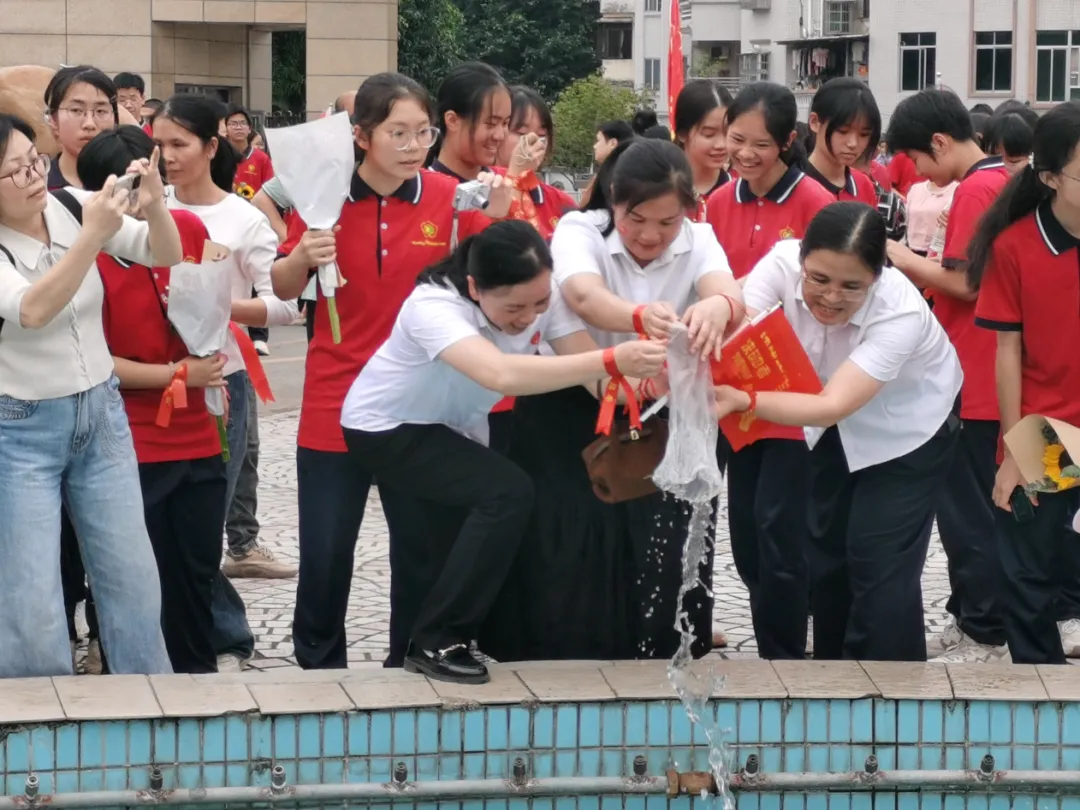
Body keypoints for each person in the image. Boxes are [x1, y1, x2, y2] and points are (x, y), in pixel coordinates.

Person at [340, 220, 666, 682]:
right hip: (386, 427)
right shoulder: (432, 306)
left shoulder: (541, 301)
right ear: (474, 287)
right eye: (514, 307)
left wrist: (660, 380)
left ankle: (408, 657)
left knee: (430, 548)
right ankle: (438, 641)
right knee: (507, 492)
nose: (528, 317)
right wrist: (612, 360)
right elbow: (500, 375)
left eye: (539, 303)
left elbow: (600, 381)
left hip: (449, 429)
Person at [270, 72, 508, 670]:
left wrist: (501, 218)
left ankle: (410, 661)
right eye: (396, 132)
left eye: (422, 132)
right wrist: (301, 255)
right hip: (332, 405)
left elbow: (495, 276)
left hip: (415, 407)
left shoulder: (448, 201)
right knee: (326, 553)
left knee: (420, 550)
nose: (412, 145)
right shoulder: (323, 201)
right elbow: (279, 286)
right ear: (361, 136)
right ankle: (319, 672)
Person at [480, 138, 744, 664]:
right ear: (614, 201)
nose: (651, 235)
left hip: (657, 404)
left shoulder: (701, 239)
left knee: (657, 536)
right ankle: (557, 655)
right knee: (569, 534)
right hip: (577, 397)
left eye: (667, 223)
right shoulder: (583, 229)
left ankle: (656, 651)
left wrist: (718, 305)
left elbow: (727, 293)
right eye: (636, 218)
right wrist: (637, 318)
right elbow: (581, 297)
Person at [714, 202, 963, 661]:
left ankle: (887, 698)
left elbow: (832, 406)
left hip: (908, 432)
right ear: (803, 261)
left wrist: (743, 400)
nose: (829, 297)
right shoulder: (783, 263)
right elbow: (740, 320)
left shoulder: (899, 312)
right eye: (819, 279)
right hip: (832, 428)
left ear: (877, 277)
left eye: (852, 286)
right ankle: (833, 680)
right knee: (826, 557)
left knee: (879, 562)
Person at [0, 112, 178, 677]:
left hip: (101, 414)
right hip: (21, 429)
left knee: (133, 581)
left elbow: (163, 252)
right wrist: (94, 238)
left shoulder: (72, 205)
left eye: (35, 160)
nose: (34, 175)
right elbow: (33, 309)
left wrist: (152, 203)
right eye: (16, 171)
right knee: (33, 602)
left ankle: (153, 726)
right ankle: (40, 743)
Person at [78, 125, 228, 673]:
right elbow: (97, 359)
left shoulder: (184, 227)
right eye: (132, 185)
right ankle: (130, 675)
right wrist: (175, 374)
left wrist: (208, 363)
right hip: (129, 439)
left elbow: (215, 305)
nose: (145, 196)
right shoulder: (87, 255)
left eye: (152, 179)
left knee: (196, 568)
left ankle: (197, 677)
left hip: (197, 434)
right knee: (135, 576)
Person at [156, 94, 296, 666]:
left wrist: (219, 307)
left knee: (203, 515)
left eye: (179, 144)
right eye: (158, 144)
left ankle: (225, 633)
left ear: (212, 148)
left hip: (220, 382)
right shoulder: (148, 206)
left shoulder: (243, 219)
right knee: (157, 516)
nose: (166, 156)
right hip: (154, 383)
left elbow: (285, 306)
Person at [705, 82, 833, 661]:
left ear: (788, 142)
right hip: (726, 385)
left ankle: (785, 655)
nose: (746, 153)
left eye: (761, 144)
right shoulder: (715, 203)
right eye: (737, 140)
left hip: (789, 393)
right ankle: (778, 628)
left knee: (778, 528)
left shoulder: (815, 204)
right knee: (744, 532)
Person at [884, 89, 1012, 662]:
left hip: (976, 373)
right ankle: (975, 615)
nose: (923, 176)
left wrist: (897, 254)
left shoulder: (977, 188)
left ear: (938, 143)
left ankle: (983, 626)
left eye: (920, 162)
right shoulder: (999, 179)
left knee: (968, 512)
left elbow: (966, 283)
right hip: (987, 370)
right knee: (981, 506)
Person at [969, 101, 1080, 664]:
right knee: (1029, 569)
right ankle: (1043, 687)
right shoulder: (1015, 249)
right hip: (1046, 428)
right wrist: (1015, 450)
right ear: (1051, 177)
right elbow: (1007, 352)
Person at [803, 78, 880, 206]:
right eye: (843, 131)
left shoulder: (864, 185)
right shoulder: (793, 187)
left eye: (864, 134)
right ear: (815, 122)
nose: (853, 143)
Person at [430, 62, 510, 182]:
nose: (500, 135)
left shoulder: (505, 184)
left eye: (505, 123)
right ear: (452, 120)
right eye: (491, 123)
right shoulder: (423, 192)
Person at [44, 66, 118, 190]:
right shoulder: (39, 187)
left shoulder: (130, 180)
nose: (89, 124)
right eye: (76, 110)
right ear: (54, 119)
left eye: (100, 111)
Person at [672, 79, 734, 220]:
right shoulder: (659, 190)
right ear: (682, 133)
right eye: (708, 134)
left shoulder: (741, 193)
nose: (721, 144)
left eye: (728, 133)